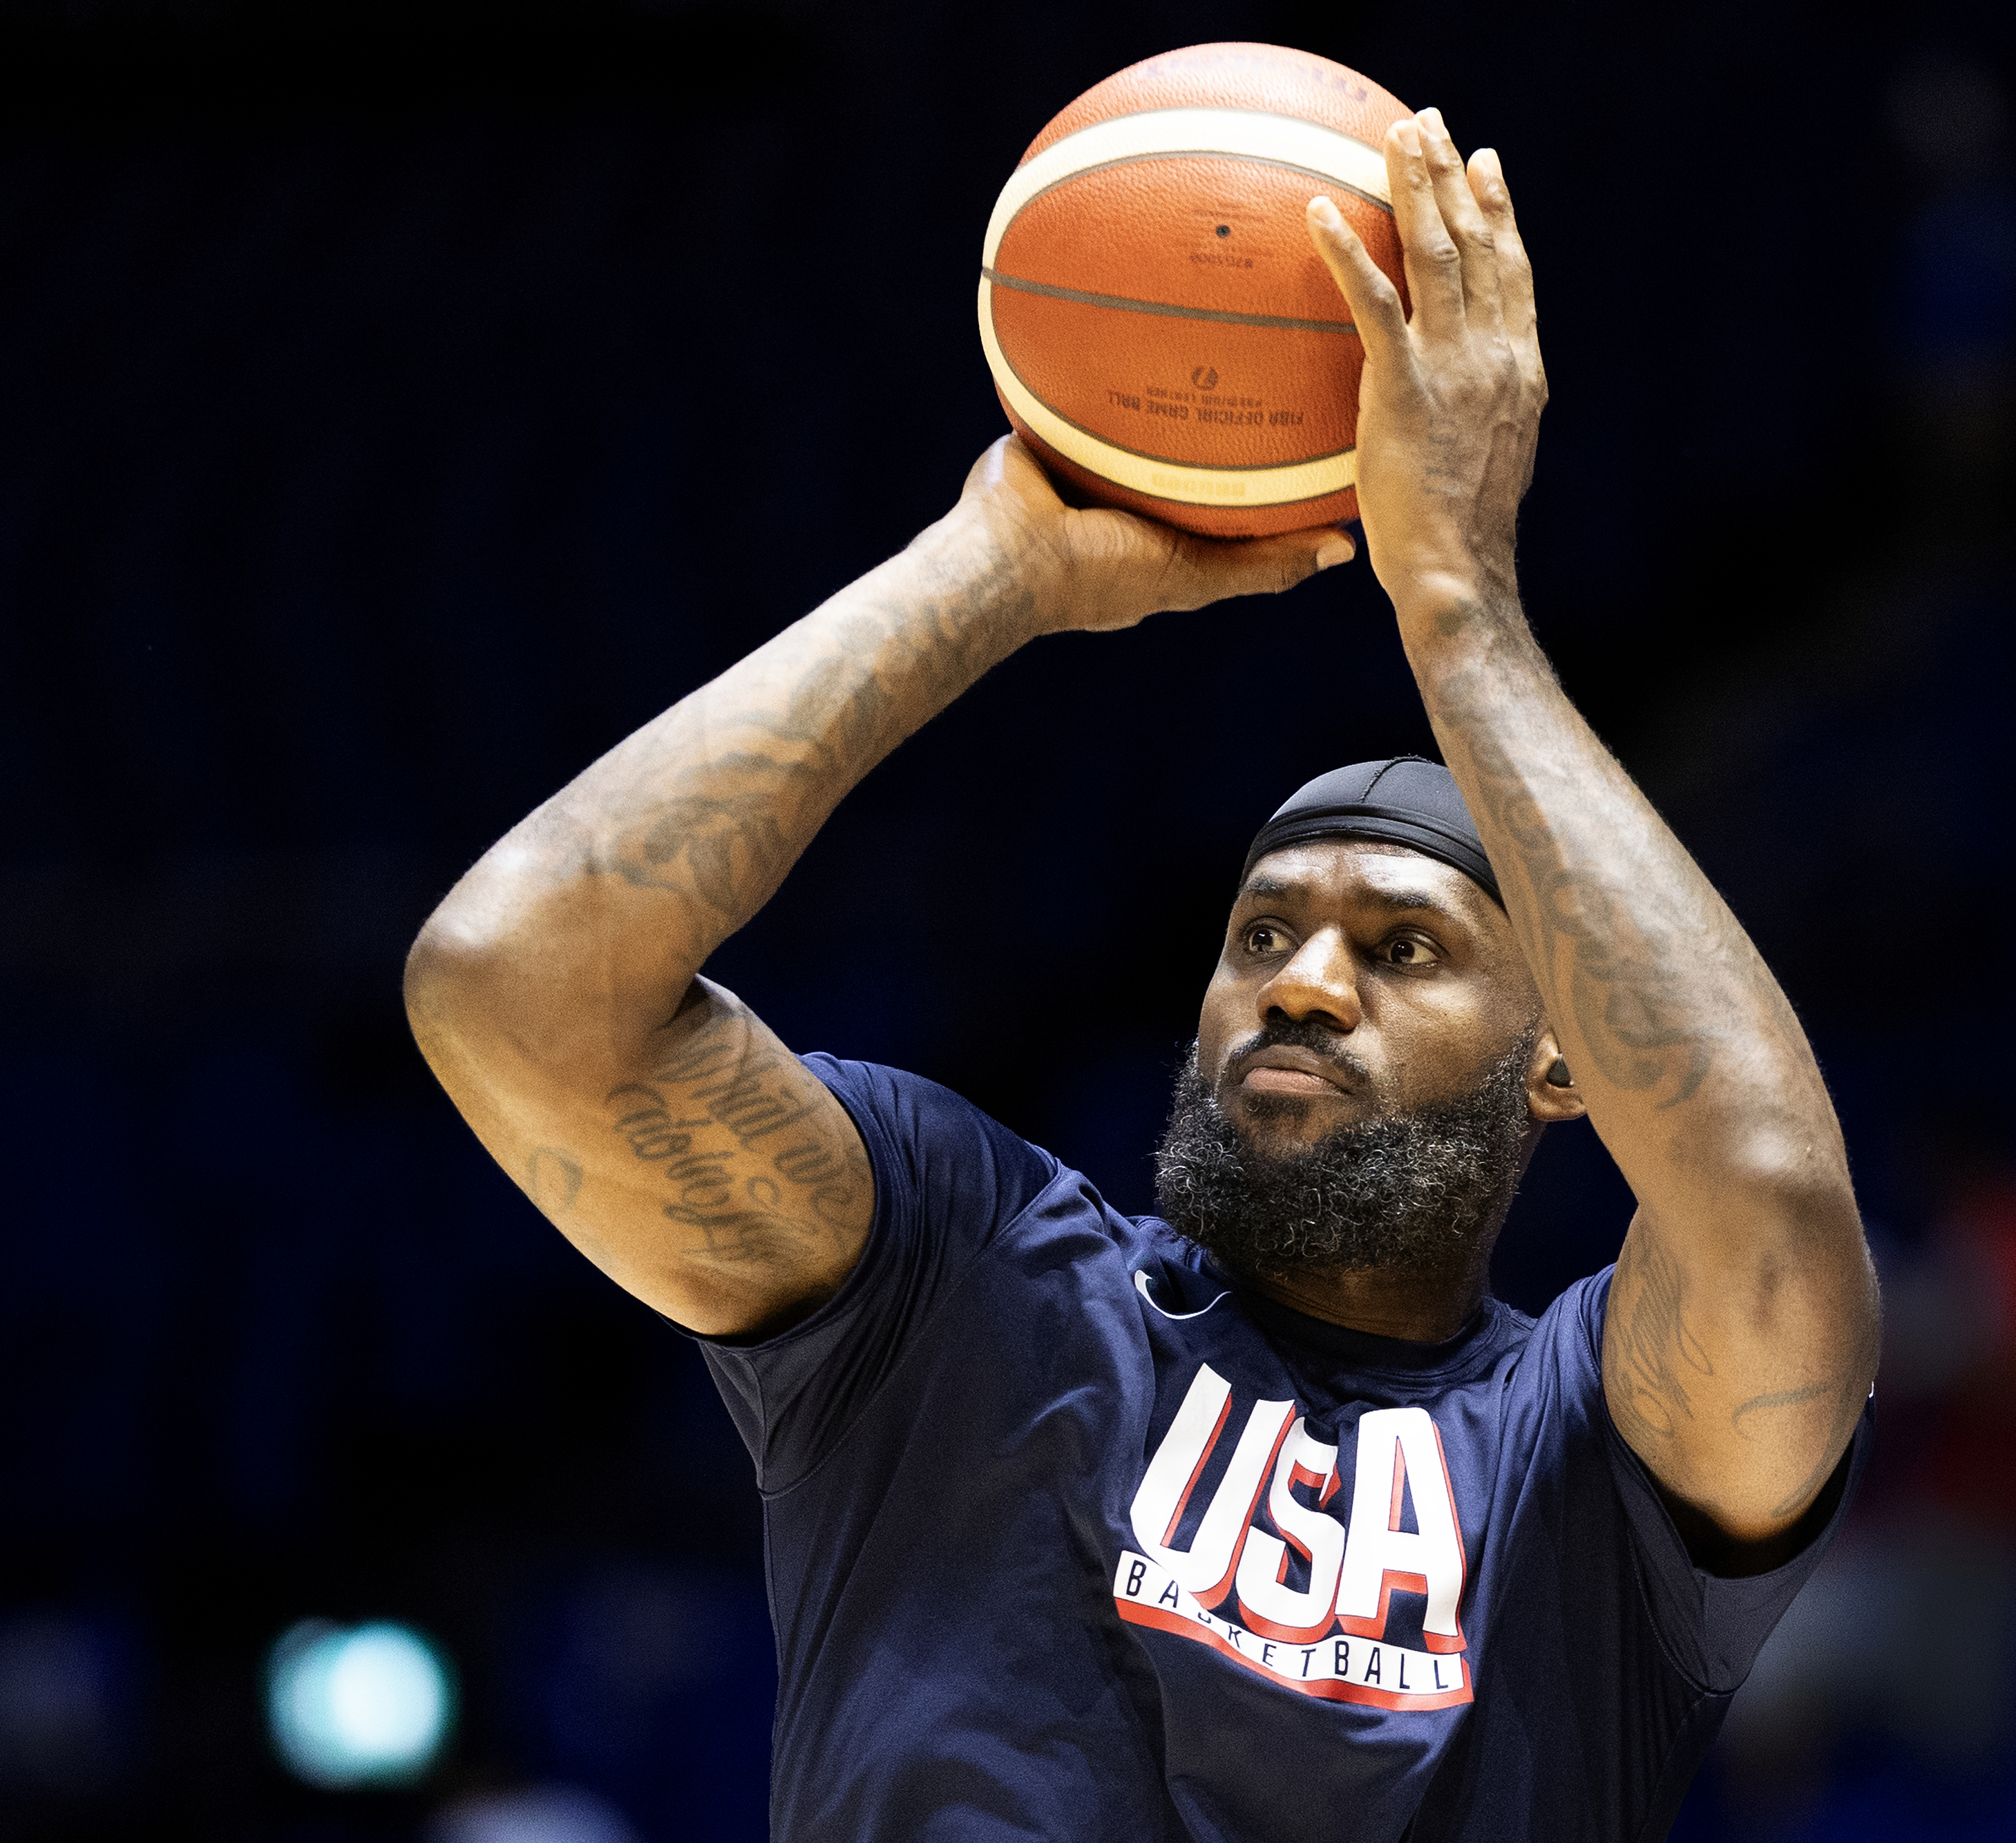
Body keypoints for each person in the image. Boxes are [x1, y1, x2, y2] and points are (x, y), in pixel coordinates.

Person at [403, 108, 1879, 1842]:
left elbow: (1768, 1209)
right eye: (1261, 932)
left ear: (1565, 1063)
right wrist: (992, 570)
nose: (1302, 981)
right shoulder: (966, 1270)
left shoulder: (1587, 1451)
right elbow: (513, 984)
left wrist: (1456, 604)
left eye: (1400, 949)